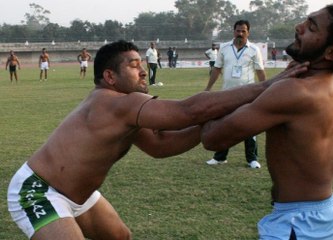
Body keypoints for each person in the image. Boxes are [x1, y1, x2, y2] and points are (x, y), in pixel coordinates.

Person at [7, 40, 308, 240]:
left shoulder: (126, 109)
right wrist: (270, 86)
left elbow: (161, 146)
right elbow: (189, 110)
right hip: (38, 191)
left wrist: (215, 122)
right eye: (133, 64)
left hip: (79, 195)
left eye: (141, 63)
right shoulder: (114, 103)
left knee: (119, 237)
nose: (142, 69)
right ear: (110, 77)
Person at [201, 1, 333, 239]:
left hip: (300, 225)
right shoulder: (326, 83)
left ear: (332, 52)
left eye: (312, 27)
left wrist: (202, 108)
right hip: (324, 215)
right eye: (307, 19)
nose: (299, 26)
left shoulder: (296, 91)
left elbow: (213, 138)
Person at [204, 19, 266, 169]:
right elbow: (217, 69)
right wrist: (208, 89)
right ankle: (220, 157)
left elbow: (259, 71)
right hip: (227, 94)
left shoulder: (254, 50)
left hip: (247, 95)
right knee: (223, 126)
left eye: (243, 31)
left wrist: (265, 89)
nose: (240, 33)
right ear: (234, 31)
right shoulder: (224, 48)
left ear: (248, 32)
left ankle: (252, 159)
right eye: (238, 30)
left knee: (249, 126)